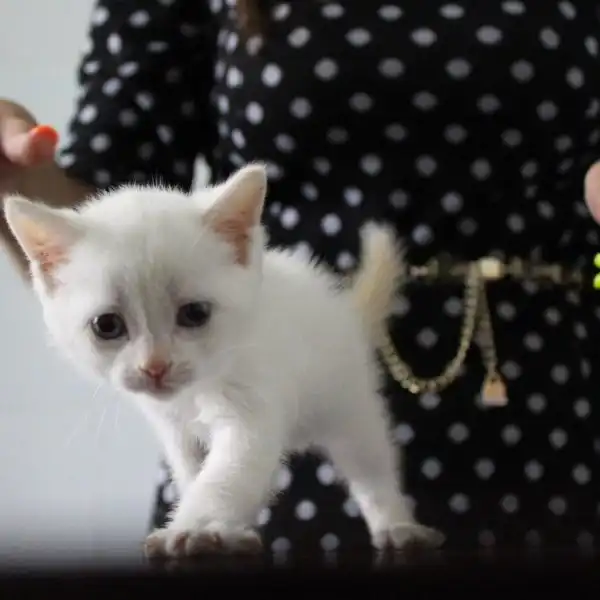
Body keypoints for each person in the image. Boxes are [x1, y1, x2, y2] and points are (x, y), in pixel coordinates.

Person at [1, 0, 598, 555]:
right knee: (211, 515)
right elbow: (104, 219)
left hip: (551, 402)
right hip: (257, 414)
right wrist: (14, 174)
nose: (151, 363)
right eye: (110, 327)